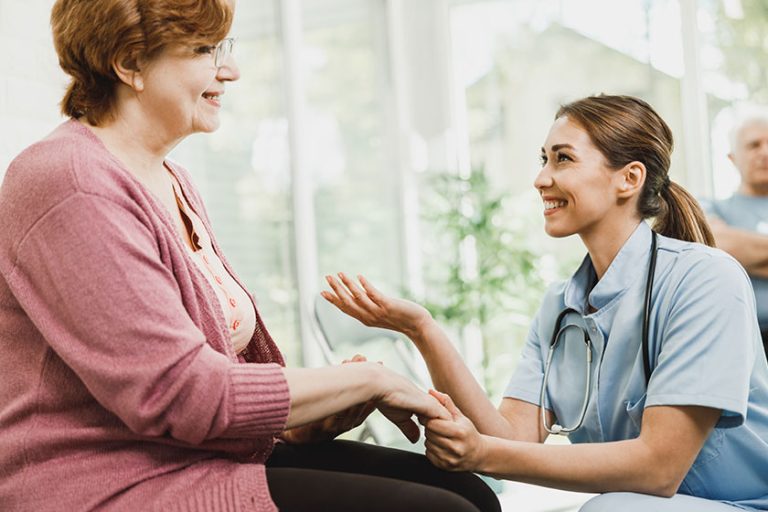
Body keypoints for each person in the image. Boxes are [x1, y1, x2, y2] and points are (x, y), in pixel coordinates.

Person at [0, 1, 501, 511]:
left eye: (223, 48)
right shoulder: (70, 182)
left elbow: (219, 367)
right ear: (128, 64)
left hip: (189, 457)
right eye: (203, 50)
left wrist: (300, 421)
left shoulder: (171, 179)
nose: (230, 70)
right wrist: (370, 379)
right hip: (105, 483)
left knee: (467, 492)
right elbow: (179, 396)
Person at [324, 95, 768, 511]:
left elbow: (658, 467)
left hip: (743, 504)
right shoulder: (562, 304)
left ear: (629, 179)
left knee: (610, 508)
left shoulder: (705, 279)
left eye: (563, 158)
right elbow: (511, 437)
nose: (541, 179)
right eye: (544, 159)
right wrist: (422, 329)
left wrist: (484, 451)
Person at [703, 107, 768, 358]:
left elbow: (730, 249)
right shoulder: (711, 207)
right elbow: (719, 244)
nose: (764, 152)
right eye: (753, 145)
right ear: (732, 158)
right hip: (740, 343)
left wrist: (746, 253)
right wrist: (729, 248)